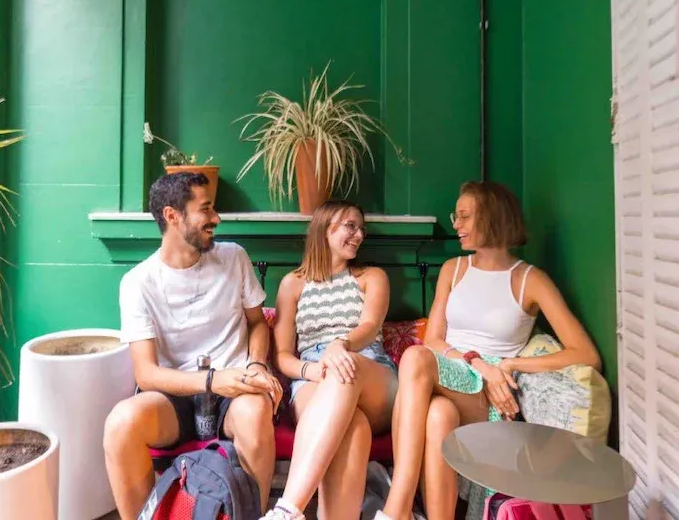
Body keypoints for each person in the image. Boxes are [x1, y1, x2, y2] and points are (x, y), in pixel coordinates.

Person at [377, 181, 602, 520]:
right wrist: (476, 362)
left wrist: (512, 363)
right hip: (458, 369)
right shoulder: (453, 270)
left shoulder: (530, 279)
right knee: (438, 414)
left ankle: (396, 509)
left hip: (492, 395)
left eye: (465, 216)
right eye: (456, 216)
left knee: (413, 358)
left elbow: (586, 353)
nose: (456, 224)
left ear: (493, 218)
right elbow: (434, 339)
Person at [103, 172, 283, 520]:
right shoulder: (138, 283)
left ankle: (254, 514)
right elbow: (147, 372)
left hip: (236, 391)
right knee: (120, 423)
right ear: (173, 216)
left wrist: (257, 365)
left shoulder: (234, 258)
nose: (216, 219)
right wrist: (212, 380)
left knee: (256, 412)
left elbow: (258, 322)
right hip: (177, 397)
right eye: (206, 209)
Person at [260, 200, 399, 520]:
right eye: (350, 226)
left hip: (368, 366)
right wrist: (312, 369)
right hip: (313, 373)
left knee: (343, 372)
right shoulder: (292, 284)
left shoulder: (371, 276)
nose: (359, 234)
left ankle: (287, 509)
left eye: (361, 228)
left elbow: (370, 326)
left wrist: (341, 345)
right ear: (324, 228)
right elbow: (282, 355)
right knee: (354, 427)